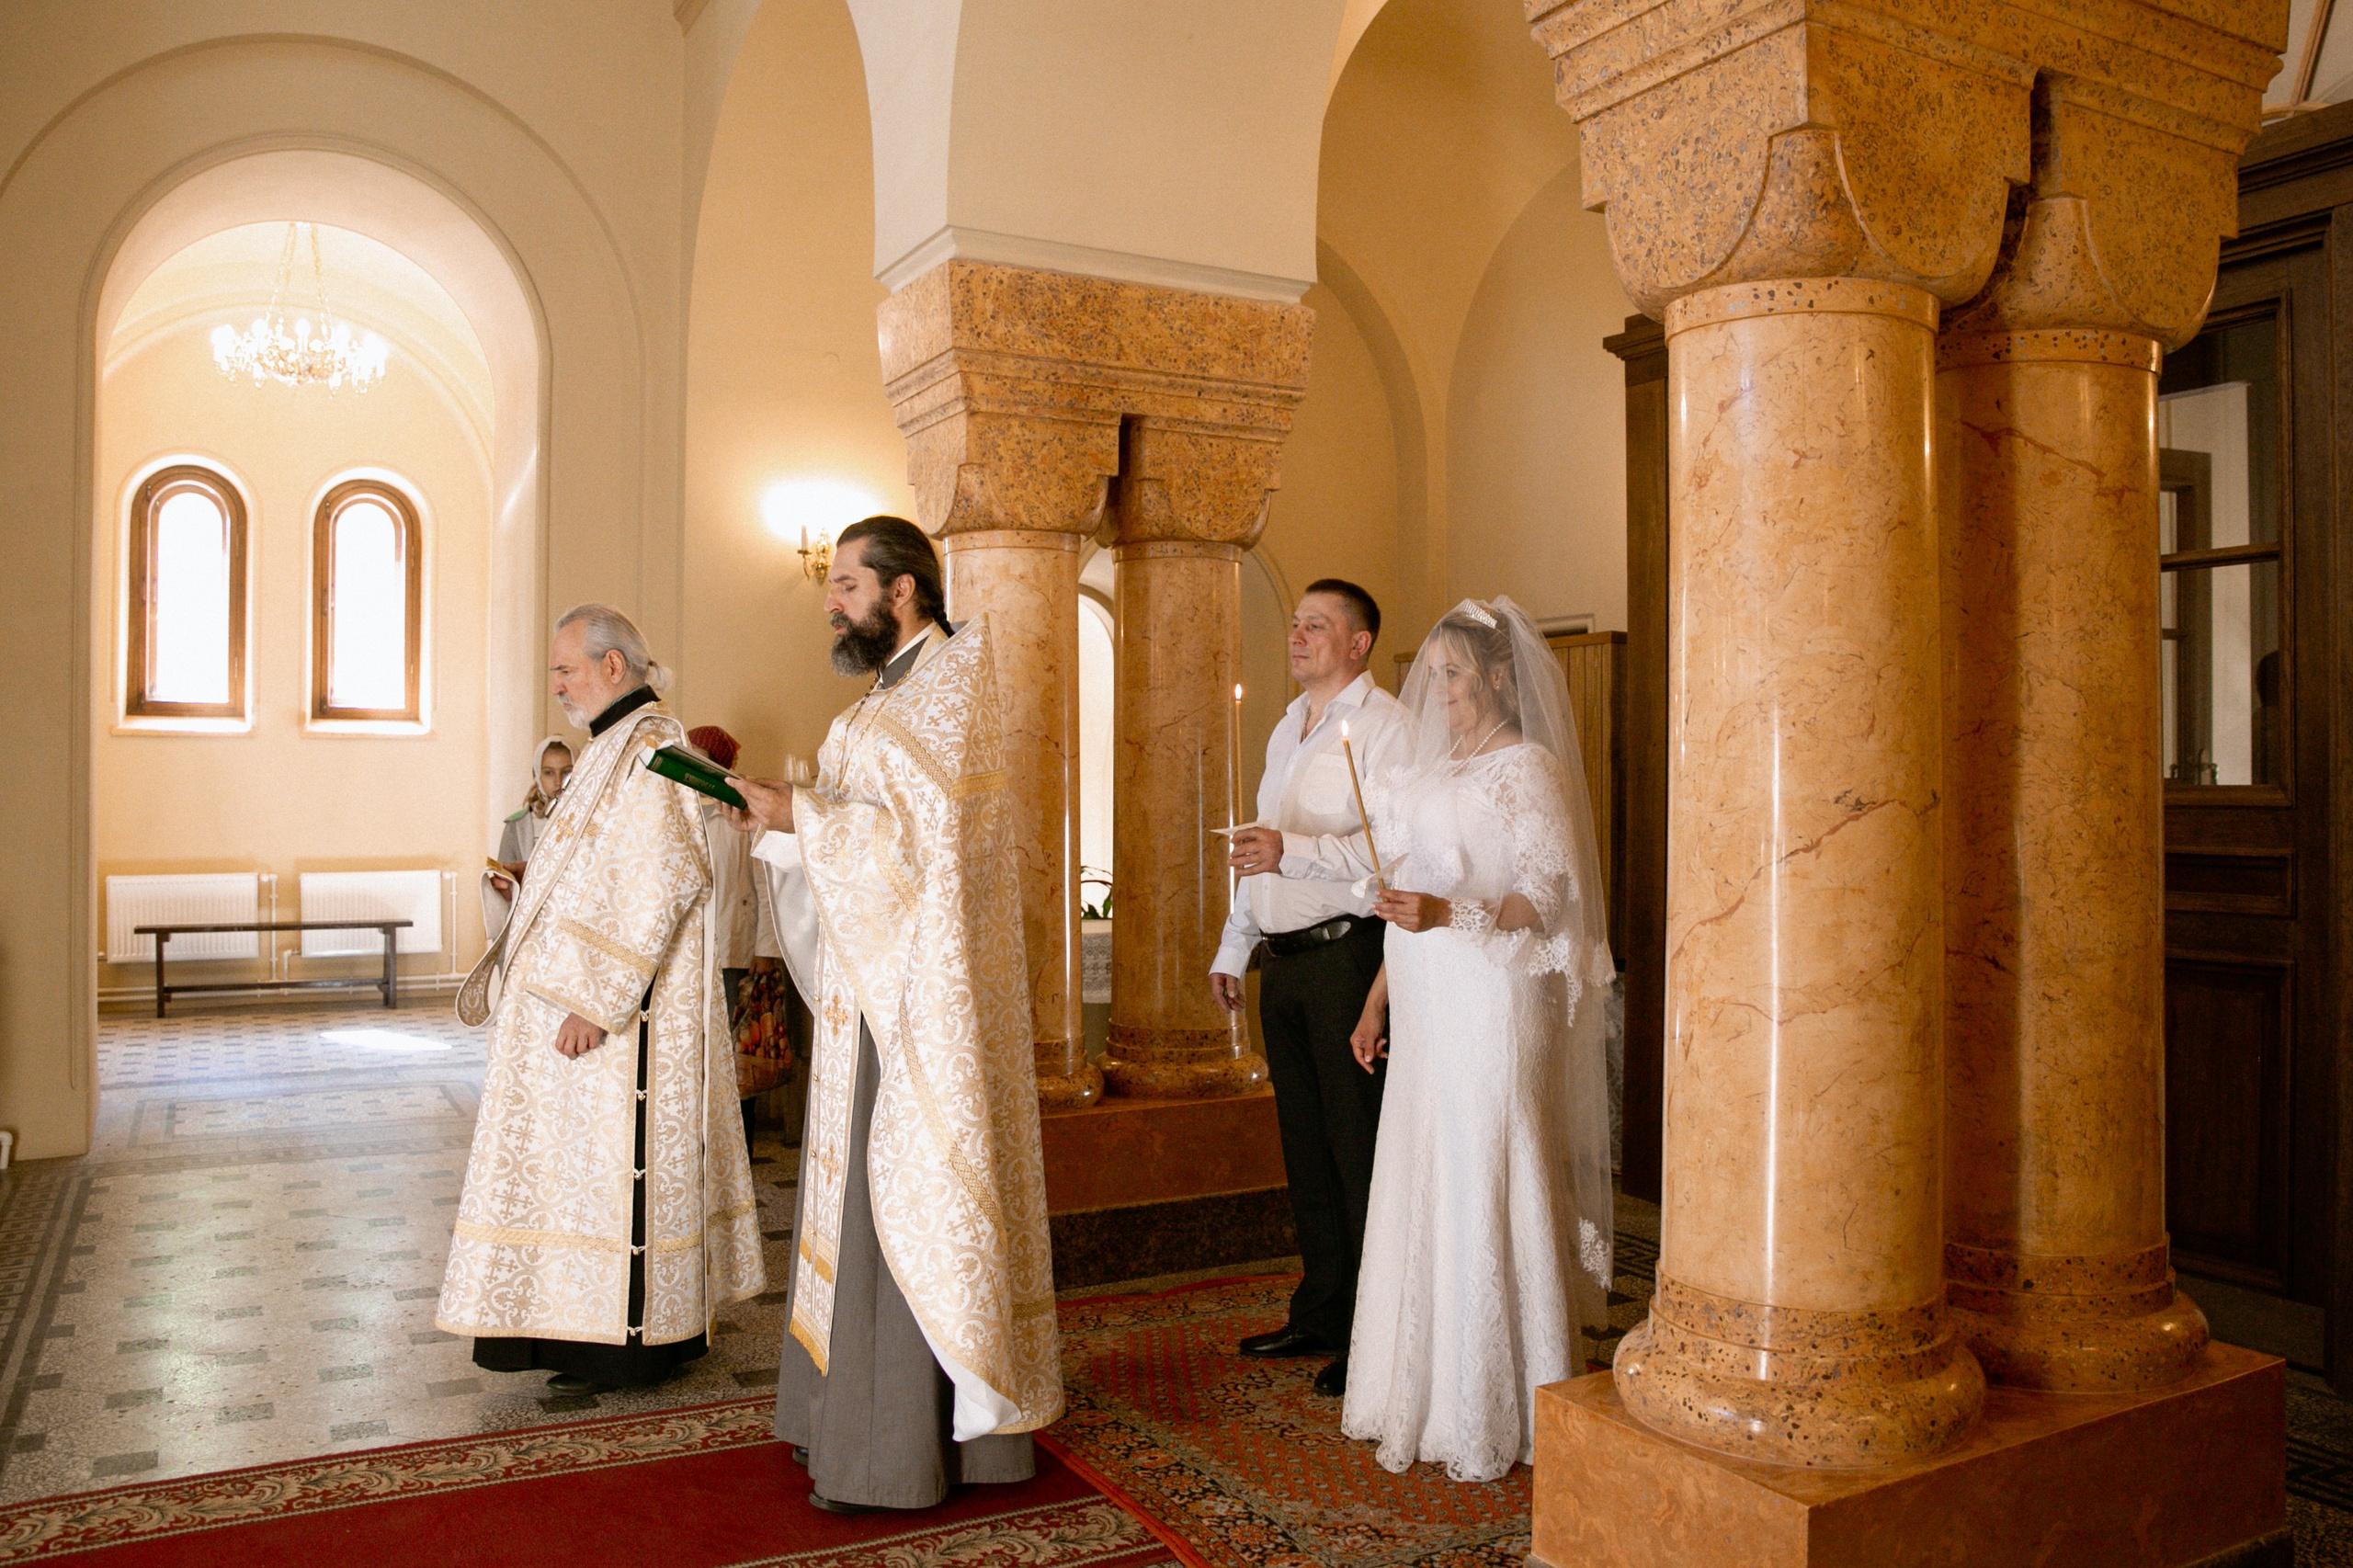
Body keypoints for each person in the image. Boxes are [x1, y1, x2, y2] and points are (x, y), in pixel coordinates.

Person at [723, 516, 1058, 1514]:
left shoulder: (951, 685)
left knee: (896, 1203)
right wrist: (788, 819)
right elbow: (866, 823)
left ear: (904, 588)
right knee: (848, 1202)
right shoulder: (884, 693)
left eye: (846, 583)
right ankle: (841, 1419)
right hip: (869, 984)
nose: (831, 600)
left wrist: (798, 817)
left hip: (919, 1003)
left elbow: (925, 848)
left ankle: (894, 1447)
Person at [439, 605, 766, 1395]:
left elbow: (657, 879)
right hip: (568, 1012)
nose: (555, 685)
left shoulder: (653, 748)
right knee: (568, 1178)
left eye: (565, 669)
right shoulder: (609, 748)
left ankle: (624, 1341)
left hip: (613, 1025)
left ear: (613, 666)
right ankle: (571, 1325)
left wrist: (596, 1000)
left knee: (612, 1175)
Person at [1341, 597, 1614, 1483]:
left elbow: (1548, 894)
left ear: (1498, 677)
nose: (1442, 690)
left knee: (1488, 1165)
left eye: (1455, 674)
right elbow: (1404, 896)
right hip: (1426, 996)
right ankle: (1412, 1388)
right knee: (1425, 1167)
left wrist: (1449, 913)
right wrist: (1378, 1000)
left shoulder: (1525, 769)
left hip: (1496, 999)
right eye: (1439, 672)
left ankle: (1498, 1396)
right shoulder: (1431, 772)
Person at [1209, 579, 1410, 1400]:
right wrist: (1234, 946)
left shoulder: (1388, 729)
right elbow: (1256, 851)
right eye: (1295, 624)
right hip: (1283, 966)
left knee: (1355, 1150)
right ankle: (1322, 1309)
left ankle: (1375, 1331)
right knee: (1306, 1151)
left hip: (1345, 960)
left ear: (1358, 644)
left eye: (1316, 626)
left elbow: (1393, 853)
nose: (1297, 636)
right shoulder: (1288, 727)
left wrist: (1289, 848)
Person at [686, 723, 759, 1029]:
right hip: (688, 950)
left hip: (730, 946)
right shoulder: (677, 815)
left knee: (728, 1035)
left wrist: (767, 951)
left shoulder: (740, 814)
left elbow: (763, 886)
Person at [481, 737, 572, 940]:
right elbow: (504, 886)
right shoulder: (517, 827)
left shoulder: (593, 820)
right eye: (549, 773)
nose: (558, 781)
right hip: (531, 931)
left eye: (566, 772)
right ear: (537, 775)